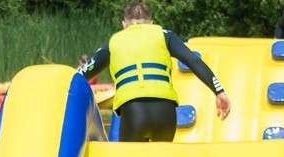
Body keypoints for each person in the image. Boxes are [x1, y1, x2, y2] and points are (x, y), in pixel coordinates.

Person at [78, 2, 231, 143]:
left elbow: (81, 74)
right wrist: (219, 91)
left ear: (124, 24)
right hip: (165, 112)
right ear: (152, 23)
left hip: (133, 111)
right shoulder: (164, 34)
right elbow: (193, 60)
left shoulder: (113, 42)